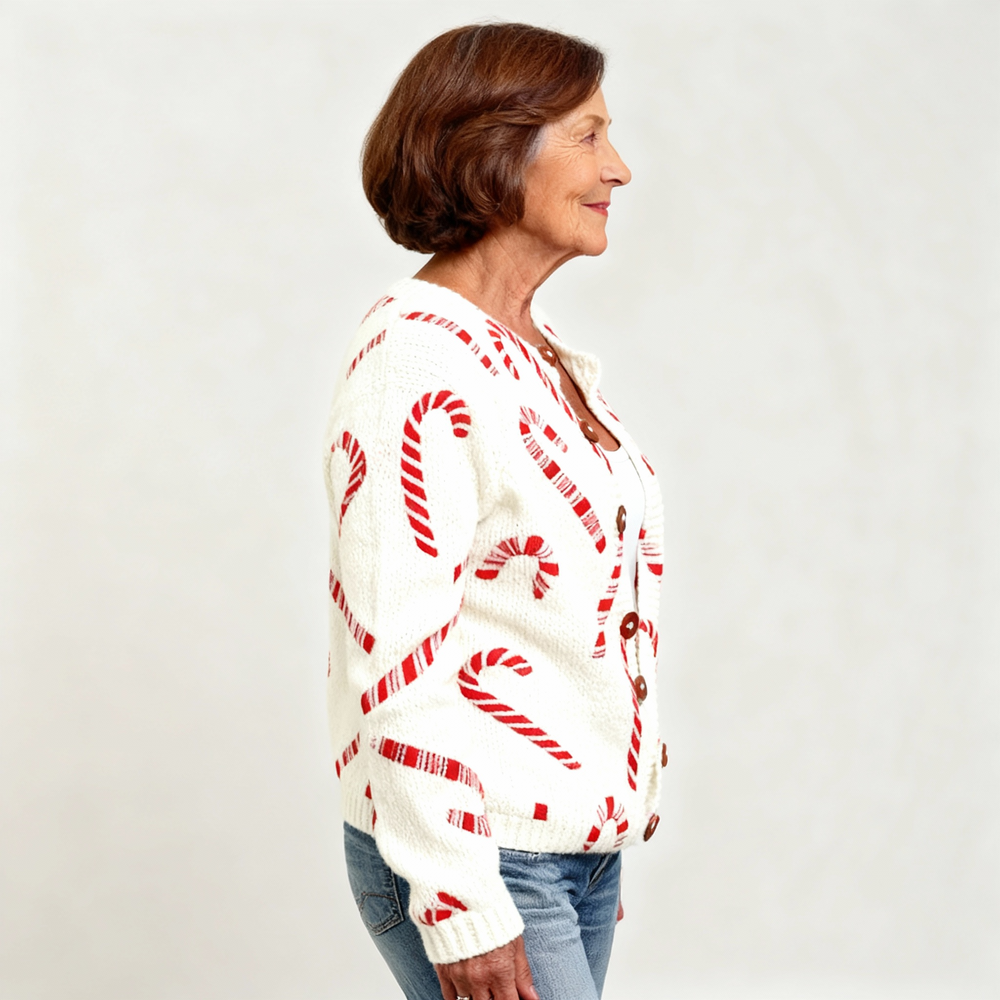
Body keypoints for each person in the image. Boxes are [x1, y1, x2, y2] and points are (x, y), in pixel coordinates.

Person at [323, 22, 665, 1000]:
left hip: (560, 851)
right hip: (479, 854)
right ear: (493, 150)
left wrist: (586, 811)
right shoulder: (418, 361)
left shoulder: (529, 348)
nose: (620, 168)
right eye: (589, 136)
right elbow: (396, 652)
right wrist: (462, 898)